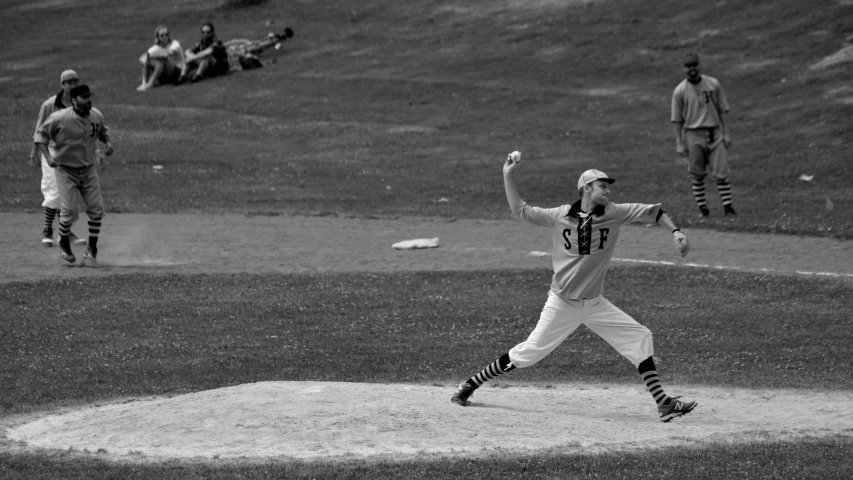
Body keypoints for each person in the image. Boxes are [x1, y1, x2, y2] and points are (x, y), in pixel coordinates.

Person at [450, 154, 698, 423]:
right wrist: (507, 174)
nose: (608, 190)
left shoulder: (614, 213)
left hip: (594, 304)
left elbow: (654, 211)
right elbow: (520, 210)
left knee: (641, 337)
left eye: (608, 186)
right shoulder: (560, 216)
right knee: (529, 353)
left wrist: (676, 231)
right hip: (561, 304)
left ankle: (663, 403)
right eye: (602, 185)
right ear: (587, 188)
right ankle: (471, 384)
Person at [34, 84, 114, 267]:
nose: (88, 100)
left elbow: (103, 133)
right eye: (84, 97)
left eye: (89, 96)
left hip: (88, 170)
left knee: (96, 209)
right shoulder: (59, 118)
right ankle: (63, 241)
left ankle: (92, 249)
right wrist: (47, 157)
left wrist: (107, 144)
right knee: (69, 210)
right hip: (65, 170)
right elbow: (40, 136)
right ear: (74, 100)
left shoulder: (96, 115)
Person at [671, 52, 736, 218]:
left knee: (721, 171)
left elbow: (723, 109)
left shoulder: (713, 84)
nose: (692, 69)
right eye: (688, 66)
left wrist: (726, 133)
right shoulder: (679, 91)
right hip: (693, 134)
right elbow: (677, 119)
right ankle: (703, 209)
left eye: (694, 65)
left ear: (699, 66)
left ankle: (728, 207)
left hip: (714, 132)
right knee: (697, 173)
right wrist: (679, 143)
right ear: (683, 69)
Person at [28, 69, 87, 247]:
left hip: (73, 152)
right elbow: (40, 130)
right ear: (62, 84)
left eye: (74, 81)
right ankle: (48, 229)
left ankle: (65, 233)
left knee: (69, 192)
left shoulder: (82, 103)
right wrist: (34, 152)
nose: (72, 85)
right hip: (52, 151)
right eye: (68, 82)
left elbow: (88, 128)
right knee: (54, 191)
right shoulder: (49, 104)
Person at [137, 25, 185, 91]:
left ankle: (150, 84)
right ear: (158, 37)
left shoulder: (175, 44)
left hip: (178, 73)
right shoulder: (156, 48)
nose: (165, 37)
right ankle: (144, 83)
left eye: (166, 34)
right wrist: (146, 61)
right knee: (149, 60)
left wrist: (151, 57)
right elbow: (142, 58)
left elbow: (168, 54)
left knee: (162, 61)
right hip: (164, 75)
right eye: (162, 35)